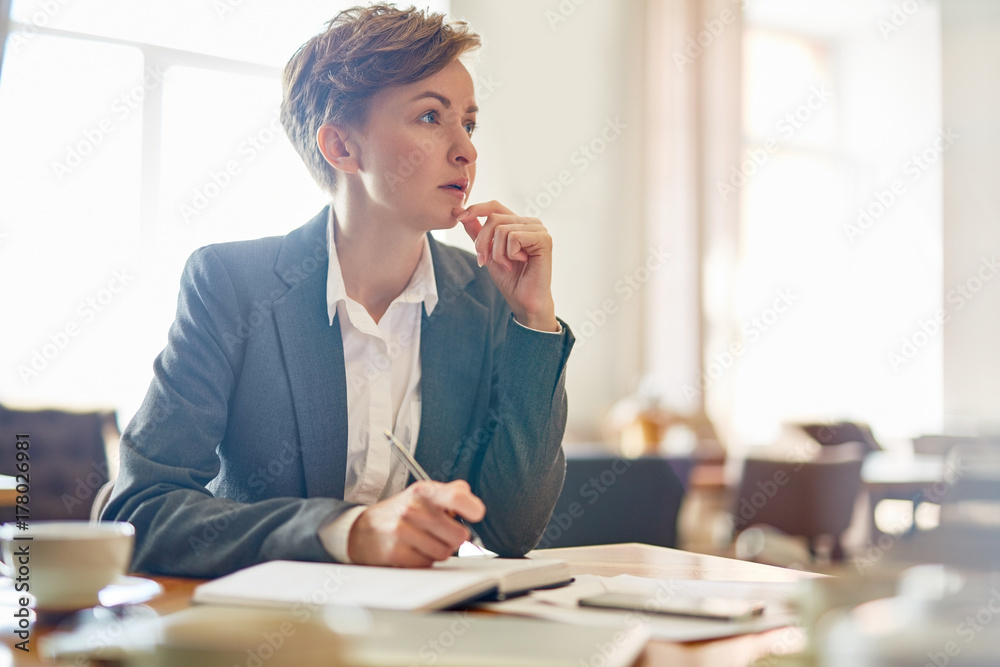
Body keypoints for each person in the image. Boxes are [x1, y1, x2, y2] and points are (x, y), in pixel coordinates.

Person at [103, 4, 574, 577]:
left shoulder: (484, 294)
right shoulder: (231, 284)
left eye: (469, 123)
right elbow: (139, 512)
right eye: (431, 117)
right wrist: (347, 531)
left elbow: (511, 529)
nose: (466, 150)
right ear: (342, 148)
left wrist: (534, 320)